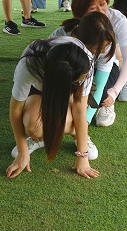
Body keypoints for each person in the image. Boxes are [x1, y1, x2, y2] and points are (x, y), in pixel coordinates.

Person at [7, 11, 116, 179]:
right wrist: (22, 151)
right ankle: (39, 138)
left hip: (67, 88)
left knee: (76, 120)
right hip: (40, 88)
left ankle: (78, 135)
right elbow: (15, 109)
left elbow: (80, 109)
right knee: (33, 127)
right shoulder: (30, 63)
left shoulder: (83, 60)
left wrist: (82, 155)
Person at [49, 0, 127, 127]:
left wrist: (114, 93)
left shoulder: (117, 22)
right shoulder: (69, 32)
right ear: (81, 12)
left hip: (108, 63)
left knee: (98, 94)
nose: (101, 10)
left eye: (103, 4)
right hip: (81, 64)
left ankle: (110, 101)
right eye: (93, 8)